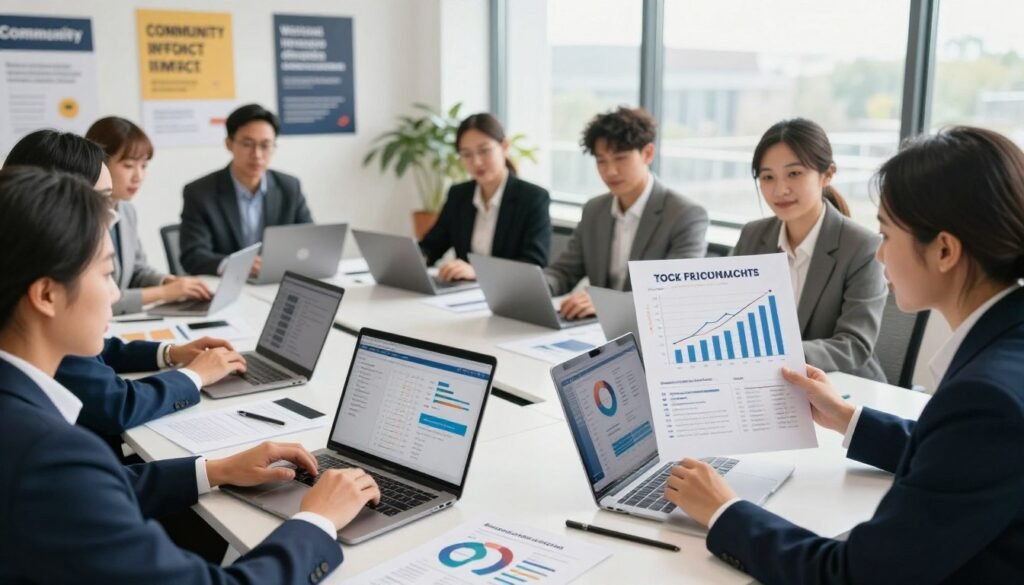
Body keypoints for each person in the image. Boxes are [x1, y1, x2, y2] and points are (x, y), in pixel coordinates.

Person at [663, 126, 1024, 584]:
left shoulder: (985, 397)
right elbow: (960, 453)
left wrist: (725, 511)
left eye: (887, 235)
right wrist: (846, 417)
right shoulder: (1005, 348)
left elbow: (853, 574)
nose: (880, 256)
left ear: (946, 250)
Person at [0, 166, 380, 583]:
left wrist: (216, 470)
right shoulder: (48, 454)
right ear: (47, 294)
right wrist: (317, 521)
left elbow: (85, 493)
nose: (115, 293)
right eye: (108, 274)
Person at [3, 130, 239, 443]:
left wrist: (169, 353)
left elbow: (92, 356)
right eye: (101, 201)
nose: (110, 215)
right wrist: (196, 375)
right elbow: (113, 403)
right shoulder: (44, 287)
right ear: (55, 196)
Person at [732, 119, 887, 380]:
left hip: (842, 389)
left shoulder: (861, 247)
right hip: (767, 383)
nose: (780, 189)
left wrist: (778, 358)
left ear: (827, 174)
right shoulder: (753, 236)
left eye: (794, 173)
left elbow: (855, 345)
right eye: (768, 177)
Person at [543, 106, 708, 320]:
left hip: (647, 331)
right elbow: (564, 271)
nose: (610, 171)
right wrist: (534, 288)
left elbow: (676, 292)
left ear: (648, 153)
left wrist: (608, 304)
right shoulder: (595, 210)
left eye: (620, 158)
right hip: (594, 328)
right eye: (601, 161)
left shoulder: (685, 215)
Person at [84, 117, 212, 314]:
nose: (138, 176)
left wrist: (171, 281)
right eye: (128, 165)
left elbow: (137, 271)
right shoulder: (80, 218)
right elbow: (96, 299)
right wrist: (164, 292)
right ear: (99, 164)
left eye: (143, 166)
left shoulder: (126, 210)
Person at [179, 103, 313, 276]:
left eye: (265, 145)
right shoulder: (200, 192)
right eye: (247, 144)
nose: (257, 155)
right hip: (226, 288)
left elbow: (309, 243)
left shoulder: (289, 187)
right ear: (229, 144)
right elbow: (193, 256)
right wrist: (237, 266)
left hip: (275, 282)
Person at [419, 113, 551, 281]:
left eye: (484, 151)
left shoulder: (533, 198)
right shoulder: (459, 195)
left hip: (508, 294)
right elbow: (432, 246)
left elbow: (533, 263)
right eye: (466, 154)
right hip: (462, 292)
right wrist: (418, 259)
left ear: (504, 147)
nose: (477, 162)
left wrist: (478, 272)